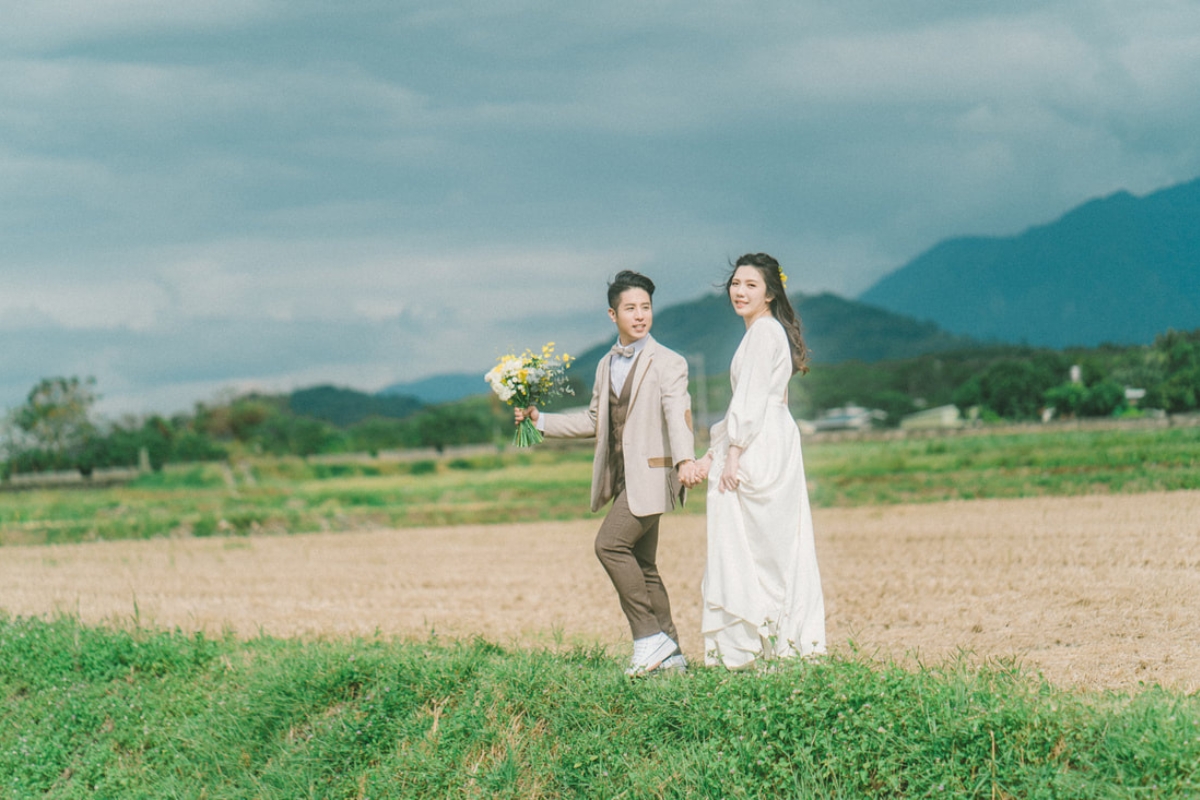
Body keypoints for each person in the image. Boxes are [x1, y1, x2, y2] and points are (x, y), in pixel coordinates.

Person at [515, 270, 700, 676]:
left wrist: (686, 460)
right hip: (621, 478)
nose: (640, 316)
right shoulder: (605, 364)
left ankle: (649, 639)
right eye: (630, 308)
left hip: (652, 477)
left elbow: (678, 412)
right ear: (612, 314)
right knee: (644, 566)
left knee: (609, 546)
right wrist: (539, 419)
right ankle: (674, 658)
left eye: (646, 308)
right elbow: (595, 419)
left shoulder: (669, 362)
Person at [690, 253, 826, 669]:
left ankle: (757, 646)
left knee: (751, 545)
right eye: (736, 283)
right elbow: (744, 403)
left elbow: (748, 402)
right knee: (774, 546)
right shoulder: (764, 333)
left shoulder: (763, 333)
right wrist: (715, 451)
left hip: (758, 443)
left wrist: (731, 455)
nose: (740, 291)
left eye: (751, 284)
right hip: (769, 437)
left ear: (769, 293)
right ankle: (778, 642)